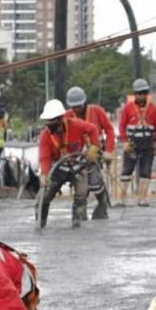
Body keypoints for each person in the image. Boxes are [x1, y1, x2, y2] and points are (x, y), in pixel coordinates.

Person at [36, 100, 100, 229]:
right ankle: (40, 224)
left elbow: (93, 129)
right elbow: (44, 158)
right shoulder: (45, 136)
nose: (49, 124)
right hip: (57, 169)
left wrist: (94, 146)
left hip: (77, 167)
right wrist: (44, 175)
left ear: (60, 118)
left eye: (52, 120)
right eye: (47, 121)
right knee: (43, 197)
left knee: (82, 194)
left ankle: (77, 224)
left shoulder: (75, 125)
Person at [65, 86, 114, 219]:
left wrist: (108, 150)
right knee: (81, 185)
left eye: (79, 106)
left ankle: (102, 204)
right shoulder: (67, 116)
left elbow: (109, 130)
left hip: (95, 153)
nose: (76, 109)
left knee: (95, 183)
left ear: (84, 102)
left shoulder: (97, 111)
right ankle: (81, 213)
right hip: (77, 156)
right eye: (73, 107)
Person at [117, 78, 156, 206]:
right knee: (127, 170)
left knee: (145, 171)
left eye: (144, 93)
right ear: (135, 94)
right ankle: (122, 198)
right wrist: (125, 142)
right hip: (132, 145)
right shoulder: (128, 108)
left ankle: (142, 198)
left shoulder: (153, 109)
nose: (141, 96)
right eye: (139, 93)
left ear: (147, 93)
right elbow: (121, 126)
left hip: (148, 145)